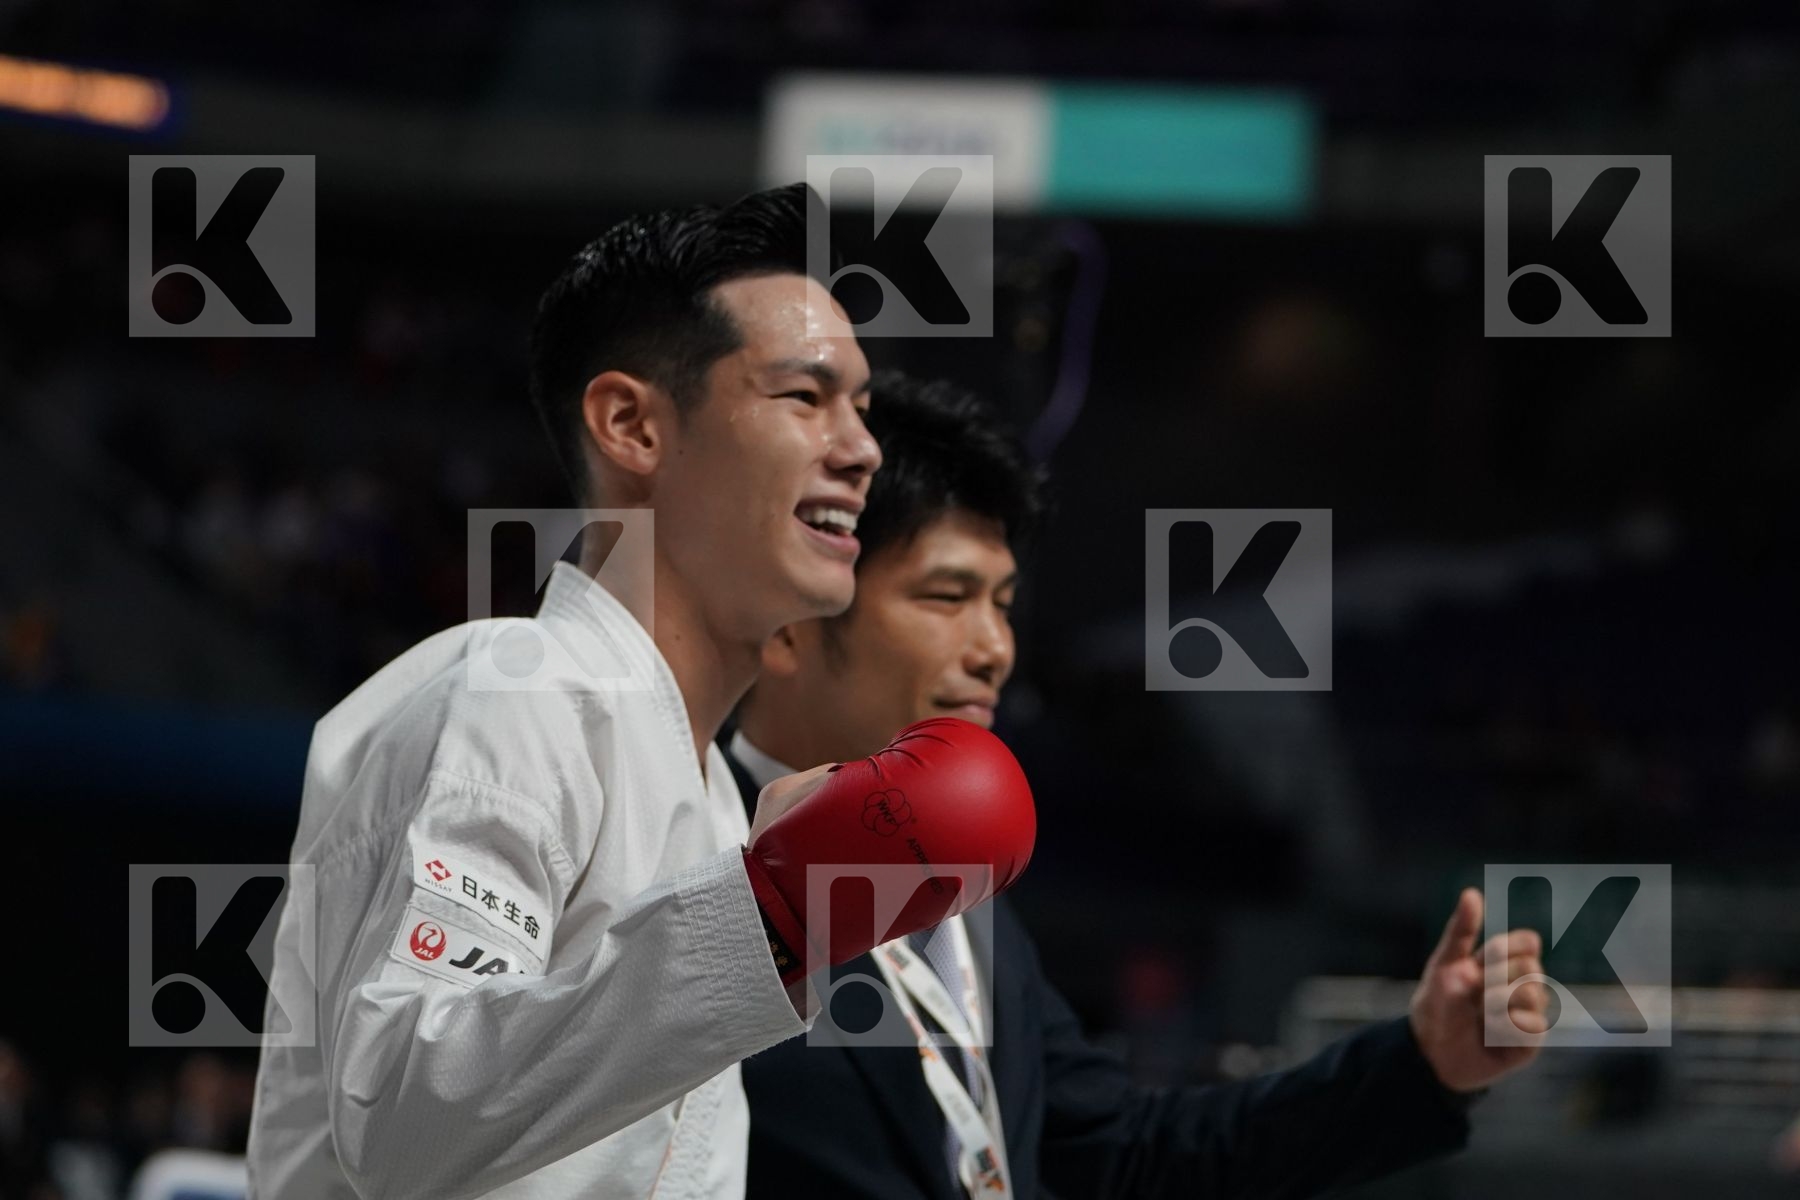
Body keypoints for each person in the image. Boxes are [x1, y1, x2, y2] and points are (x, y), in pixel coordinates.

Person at [246, 185, 1028, 1200]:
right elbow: (399, 1117)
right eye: (805, 396)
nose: (863, 448)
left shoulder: (705, 787)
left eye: (863, 408)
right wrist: (772, 912)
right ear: (632, 425)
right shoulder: (512, 696)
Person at [725, 369, 1552, 1199]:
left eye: (1004, 604)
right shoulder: (686, 866)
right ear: (792, 621)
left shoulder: (966, 900)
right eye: (947, 597)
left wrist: (1421, 1065)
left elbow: (1124, 1157)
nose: (994, 649)